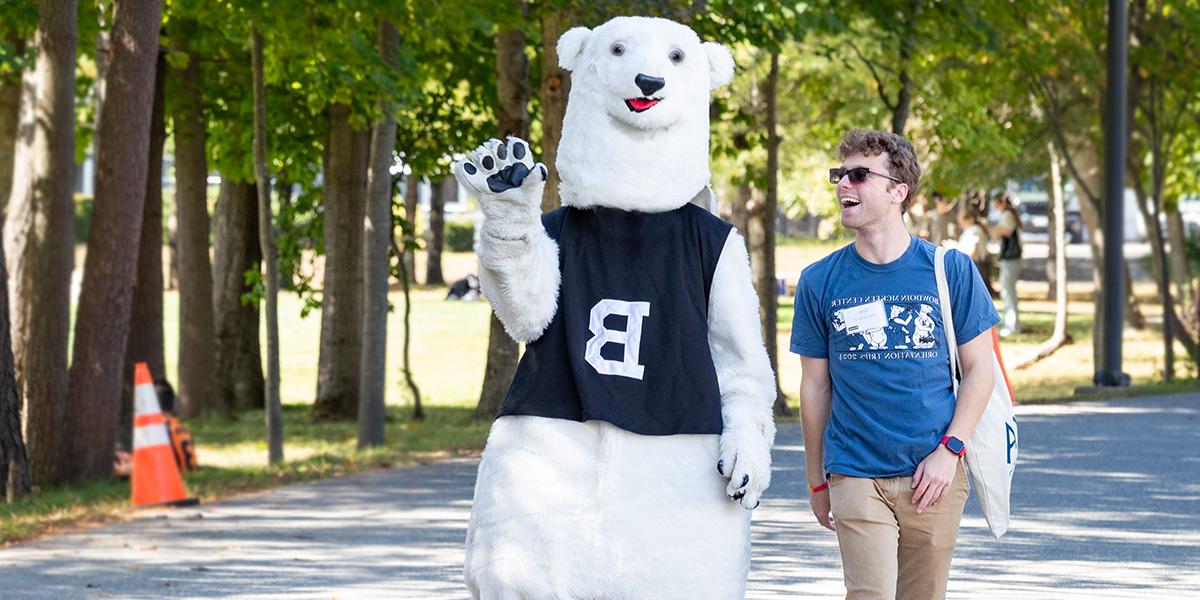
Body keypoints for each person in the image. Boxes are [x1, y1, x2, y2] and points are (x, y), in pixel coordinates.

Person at [791, 129, 999, 600]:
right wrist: (816, 477)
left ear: (897, 190)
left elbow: (980, 369)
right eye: (839, 175)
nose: (844, 185)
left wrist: (950, 450)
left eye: (860, 175)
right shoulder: (819, 280)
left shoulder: (950, 270)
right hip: (854, 469)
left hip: (935, 472)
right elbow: (815, 388)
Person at [113, 378, 198, 477]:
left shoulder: (156, 430)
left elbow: (157, 466)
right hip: (187, 471)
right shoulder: (180, 428)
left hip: (169, 475)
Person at [989, 193, 1022, 335]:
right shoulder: (1009, 214)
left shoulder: (1007, 215)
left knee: (1008, 292)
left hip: (1011, 258)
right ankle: (1011, 324)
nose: (995, 207)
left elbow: (1006, 232)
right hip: (1009, 258)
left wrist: (991, 228)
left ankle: (1012, 325)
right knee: (1007, 292)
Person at [956, 211, 995, 297]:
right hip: (975, 261)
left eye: (962, 221)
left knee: (976, 289)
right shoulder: (972, 229)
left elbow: (974, 247)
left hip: (975, 262)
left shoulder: (974, 230)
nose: (961, 223)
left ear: (970, 219)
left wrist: (967, 262)